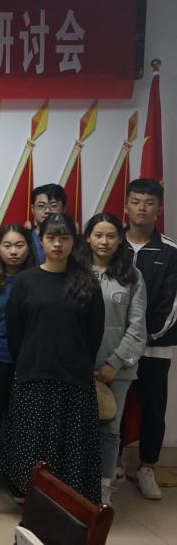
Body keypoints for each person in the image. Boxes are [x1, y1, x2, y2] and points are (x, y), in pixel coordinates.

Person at [5, 213, 105, 504]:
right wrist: (27, 360)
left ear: (74, 241)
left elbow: (94, 333)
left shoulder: (87, 282)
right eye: (51, 237)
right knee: (33, 443)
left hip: (74, 377)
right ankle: (32, 500)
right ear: (41, 240)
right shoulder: (25, 281)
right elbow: (15, 331)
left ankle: (67, 502)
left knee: (70, 444)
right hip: (33, 373)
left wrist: (80, 362)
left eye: (64, 238)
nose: (57, 244)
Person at [85, 212, 147, 506]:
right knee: (76, 427)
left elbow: (137, 328)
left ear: (120, 239)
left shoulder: (132, 276)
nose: (104, 241)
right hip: (79, 367)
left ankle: (103, 488)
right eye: (98, 235)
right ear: (88, 238)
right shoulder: (76, 272)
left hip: (117, 371)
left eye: (111, 236)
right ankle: (74, 485)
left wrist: (114, 363)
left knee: (109, 429)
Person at [122, 178, 177, 500]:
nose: (142, 208)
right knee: (112, 405)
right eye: (136, 201)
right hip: (114, 346)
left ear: (159, 208)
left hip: (155, 344)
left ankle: (147, 467)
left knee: (153, 407)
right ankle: (112, 462)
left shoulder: (171, 251)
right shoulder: (111, 242)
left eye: (149, 202)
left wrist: (141, 337)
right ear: (126, 206)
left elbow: (171, 303)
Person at [0, 223, 36, 503]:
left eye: (19, 245)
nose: (14, 251)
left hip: (26, 361)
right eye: (7, 245)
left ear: (29, 248)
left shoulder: (37, 278)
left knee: (21, 424)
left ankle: (17, 481)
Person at [28, 183, 68, 264]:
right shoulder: (24, 238)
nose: (47, 211)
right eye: (41, 206)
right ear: (33, 209)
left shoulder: (73, 240)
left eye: (53, 206)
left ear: (64, 209)